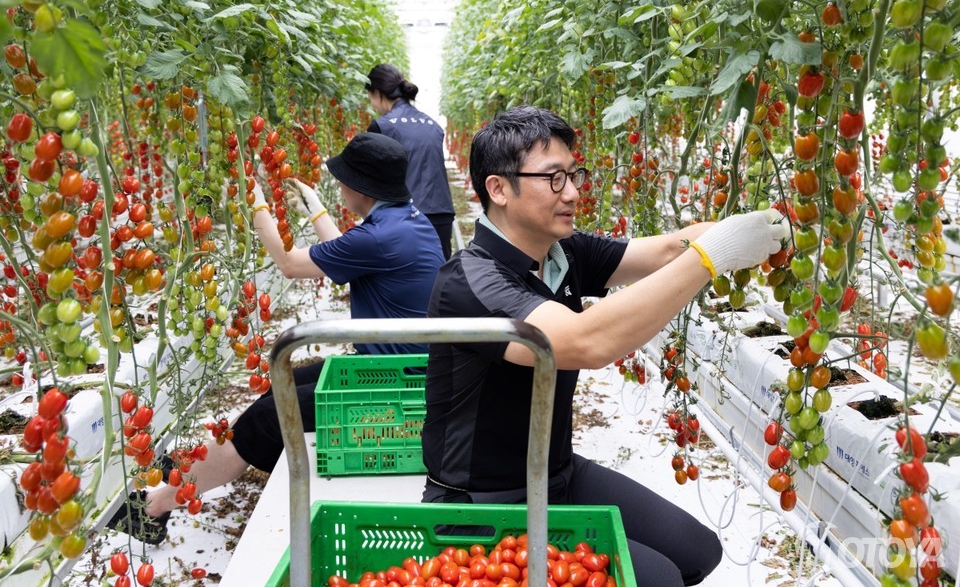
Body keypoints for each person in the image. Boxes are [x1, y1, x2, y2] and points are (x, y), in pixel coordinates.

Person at [421, 106, 789, 586]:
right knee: (659, 579)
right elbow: (582, 342)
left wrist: (749, 230)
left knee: (697, 551)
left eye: (574, 175)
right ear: (498, 189)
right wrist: (711, 257)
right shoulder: (469, 282)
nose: (573, 192)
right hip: (482, 506)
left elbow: (661, 251)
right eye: (554, 179)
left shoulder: (561, 253)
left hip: (555, 475)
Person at [108, 133, 444, 544]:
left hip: (397, 384)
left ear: (358, 189)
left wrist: (254, 200)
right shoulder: (407, 220)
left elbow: (287, 263)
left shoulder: (380, 237)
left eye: (342, 182)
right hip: (400, 366)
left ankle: (154, 508)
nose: (339, 187)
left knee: (265, 422)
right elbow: (345, 249)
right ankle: (189, 470)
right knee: (279, 387)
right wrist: (314, 203)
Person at [366, 63, 456, 259]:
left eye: (370, 97)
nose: (372, 104)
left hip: (406, 219)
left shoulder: (381, 126)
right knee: (439, 281)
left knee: (406, 283)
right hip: (442, 215)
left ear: (378, 93)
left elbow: (374, 182)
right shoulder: (433, 125)